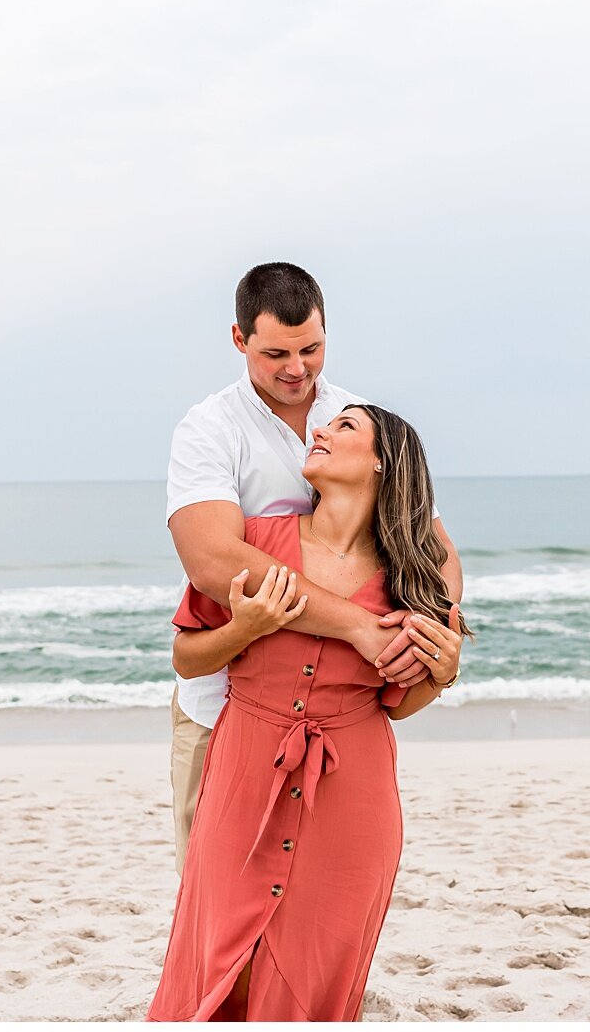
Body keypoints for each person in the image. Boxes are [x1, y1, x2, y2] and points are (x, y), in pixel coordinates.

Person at [149, 404, 470, 1021]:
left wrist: (445, 669)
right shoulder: (254, 544)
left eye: (344, 427)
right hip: (245, 772)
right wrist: (242, 629)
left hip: (354, 791)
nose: (320, 429)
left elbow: (398, 706)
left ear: (381, 463)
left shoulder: (412, 578)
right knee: (226, 959)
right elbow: (187, 659)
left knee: (314, 963)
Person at [166, 262, 463, 874]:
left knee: (318, 891)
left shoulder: (359, 419)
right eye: (276, 352)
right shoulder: (210, 428)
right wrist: (358, 625)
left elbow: (433, 549)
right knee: (216, 894)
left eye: (312, 348)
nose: (297, 368)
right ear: (239, 339)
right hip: (222, 703)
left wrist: (433, 639)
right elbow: (214, 561)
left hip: (340, 708)